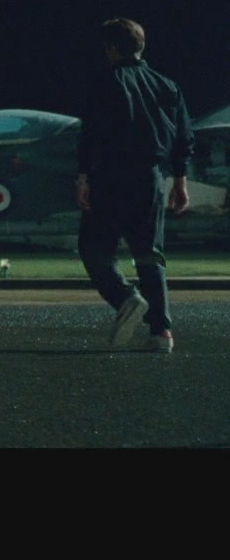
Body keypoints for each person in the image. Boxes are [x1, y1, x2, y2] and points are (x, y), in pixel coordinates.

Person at [75, 17, 193, 354]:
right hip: (151, 178)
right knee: (149, 255)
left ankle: (125, 297)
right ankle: (162, 333)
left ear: (111, 48)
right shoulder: (167, 86)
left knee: (95, 250)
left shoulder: (104, 83)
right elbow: (183, 137)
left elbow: (91, 134)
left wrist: (83, 176)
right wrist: (180, 180)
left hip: (111, 176)